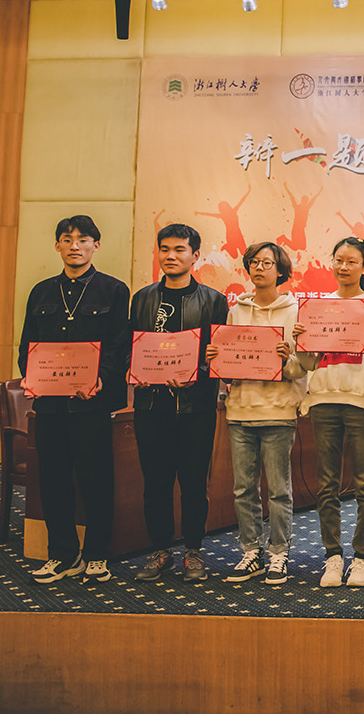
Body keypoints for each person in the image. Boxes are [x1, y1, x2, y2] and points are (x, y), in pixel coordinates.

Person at [18, 215, 130, 585]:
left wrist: (101, 380)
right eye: (67, 239)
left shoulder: (114, 290)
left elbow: (118, 347)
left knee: (96, 481)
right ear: (57, 246)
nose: (74, 246)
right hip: (50, 405)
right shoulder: (41, 292)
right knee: (52, 481)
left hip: (91, 404)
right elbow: (28, 346)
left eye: (83, 239)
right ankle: (62, 554)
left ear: (96, 245)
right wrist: (30, 376)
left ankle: (97, 555)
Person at [130, 223, 230, 583]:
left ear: (195, 255)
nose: (170, 256)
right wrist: (141, 371)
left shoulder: (214, 301)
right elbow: (131, 347)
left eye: (179, 250)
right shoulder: (142, 299)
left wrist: (194, 374)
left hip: (195, 406)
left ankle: (193, 551)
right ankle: (160, 551)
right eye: (165, 249)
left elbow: (219, 356)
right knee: (155, 482)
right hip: (150, 406)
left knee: (193, 483)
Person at [297, 236, 364, 588]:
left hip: (362, 401)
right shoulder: (317, 307)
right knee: (326, 484)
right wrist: (300, 341)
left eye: (352, 261)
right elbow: (307, 363)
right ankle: (333, 557)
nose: (344, 266)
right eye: (339, 260)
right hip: (323, 399)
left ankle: (363, 558)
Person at [212, 241, 307, 586]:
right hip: (240, 409)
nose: (259, 268)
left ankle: (279, 553)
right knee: (243, 489)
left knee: (279, 490)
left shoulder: (295, 312)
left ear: (280, 271)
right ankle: (250, 551)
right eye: (254, 262)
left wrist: (285, 359)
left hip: (278, 410)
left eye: (267, 263)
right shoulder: (235, 311)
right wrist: (216, 360)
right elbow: (228, 364)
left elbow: (301, 368)